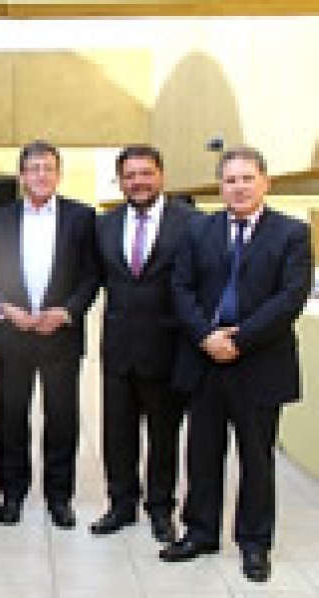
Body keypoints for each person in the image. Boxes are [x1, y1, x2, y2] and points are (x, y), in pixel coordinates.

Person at [161, 147, 312, 583]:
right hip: (205, 361)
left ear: (266, 182)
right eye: (230, 180)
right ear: (220, 186)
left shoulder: (292, 233)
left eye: (247, 178)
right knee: (202, 453)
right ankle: (200, 532)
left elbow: (290, 297)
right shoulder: (198, 230)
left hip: (260, 362)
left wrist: (239, 340)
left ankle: (254, 543)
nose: (239, 187)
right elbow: (180, 288)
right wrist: (206, 337)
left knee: (256, 459)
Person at [0, 140, 99, 527]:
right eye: (33, 168)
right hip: (15, 332)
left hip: (61, 335)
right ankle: (12, 494)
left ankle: (59, 497)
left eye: (48, 168)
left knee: (62, 418)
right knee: (11, 417)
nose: (41, 175)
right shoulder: (0, 218)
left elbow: (92, 274)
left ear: (58, 174)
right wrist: (4, 307)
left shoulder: (82, 217)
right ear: (22, 175)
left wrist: (67, 312)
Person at [91, 145, 192, 543]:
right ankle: (121, 505)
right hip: (118, 347)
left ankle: (161, 509)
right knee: (117, 434)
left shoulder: (191, 223)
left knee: (164, 436)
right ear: (120, 181)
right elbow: (94, 278)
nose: (138, 182)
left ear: (161, 174)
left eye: (146, 173)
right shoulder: (104, 225)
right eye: (130, 175)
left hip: (167, 349)